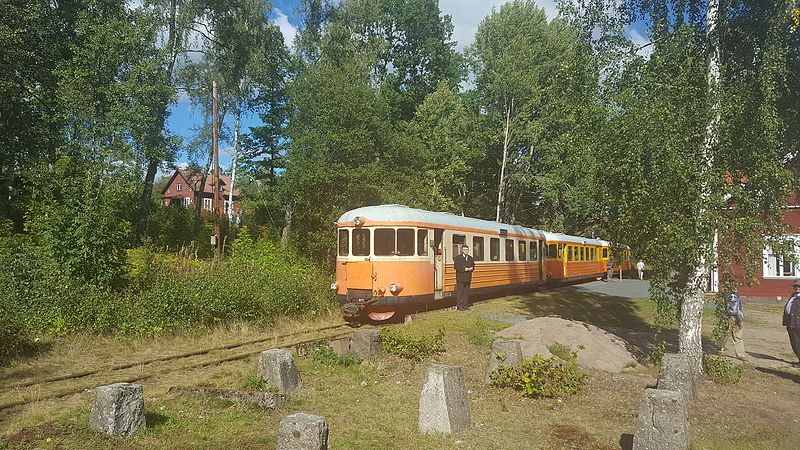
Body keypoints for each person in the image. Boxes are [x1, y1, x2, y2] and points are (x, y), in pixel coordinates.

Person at [724, 291, 745, 360]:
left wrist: (741, 316)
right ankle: (720, 349)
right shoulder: (726, 295)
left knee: (738, 336)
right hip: (729, 317)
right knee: (725, 335)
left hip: (738, 317)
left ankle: (740, 354)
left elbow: (739, 306)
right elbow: (726, 307)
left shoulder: (737, 295)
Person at [783, 279, 800, 366]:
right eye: (795, 286)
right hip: (791, 322)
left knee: (797, 343)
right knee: (794, 343)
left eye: (799, 286)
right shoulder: (793, 295)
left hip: (797, 323)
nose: (797, 288)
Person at [453, 244, 475, 311]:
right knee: (460, 292)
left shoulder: (471, 258)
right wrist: (464, 269)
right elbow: (456, 267)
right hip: (460, 278)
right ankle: (459, 306)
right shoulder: (458, 258)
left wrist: (471, 268)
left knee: (466, 293)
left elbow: (473, 266)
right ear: (462, 250)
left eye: (467, 250)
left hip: (468, 278)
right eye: (465, 250)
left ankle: (465, 305)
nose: (466, 251)